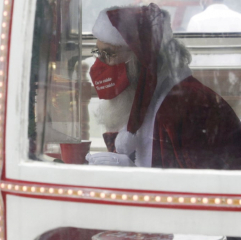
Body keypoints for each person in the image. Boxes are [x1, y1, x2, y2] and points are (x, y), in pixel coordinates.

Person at [87, 3, 241, 169]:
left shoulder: (185, 103)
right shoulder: (139, 98)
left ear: (140, 58)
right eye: (98, 52)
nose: (99, 64)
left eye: (108, 54)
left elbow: (194, 184)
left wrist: (132, 174)